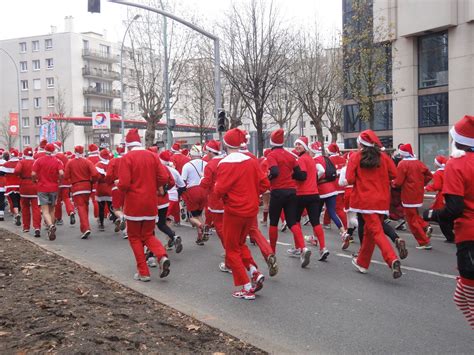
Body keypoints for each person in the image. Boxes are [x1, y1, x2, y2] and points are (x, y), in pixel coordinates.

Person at [423, 115, 474, 329]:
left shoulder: (457, 163)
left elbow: (454, 208)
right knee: (460, 297)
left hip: (470, 236)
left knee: (469, 299)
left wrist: (430, 215)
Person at [214, 128, 270, 300]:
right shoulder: (252, 161)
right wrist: (254, 195)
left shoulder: (224, 163)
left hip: (234, 211)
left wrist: (226, 198)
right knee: (241, 244)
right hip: (251, 210)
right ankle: (254, 271)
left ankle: (246, 286)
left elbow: (219, 190)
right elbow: (264, 183)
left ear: (226, 144)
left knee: (231, 249)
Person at [346, 130, 402, 279]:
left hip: (364, 200)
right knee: (369, 232)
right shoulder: (384, 157)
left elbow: (350, 179)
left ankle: (392, 259)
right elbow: (395, 174)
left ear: (361, 143)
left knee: (375, 231)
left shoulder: (355, 157)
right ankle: (362, 263)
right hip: (382, 200)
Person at [118, 129, 171, 281]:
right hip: (150, 202)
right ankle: (161, 255)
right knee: (148, 234)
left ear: (128, 145)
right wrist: (154, 186)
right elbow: (163, 177)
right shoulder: (152, 156)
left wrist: (119, 184)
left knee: (134, 237)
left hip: (134, 203)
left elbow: (124, 184)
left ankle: (143, 271)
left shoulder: (127, 158)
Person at [266, 129, 311, 268]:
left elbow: (274, 171)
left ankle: (272, 253)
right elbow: (301, 175)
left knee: (273, 222)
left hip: (278, 191)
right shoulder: (291, 156)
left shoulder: (271, 155)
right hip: (291, 192)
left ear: (272, 141)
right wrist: (289, 177)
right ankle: (303, 248)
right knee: (292, 222)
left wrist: (269, 178)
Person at [293, 136, 329, 261]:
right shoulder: (311, 159)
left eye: (300, 144)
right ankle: (323, 248)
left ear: (305, 146)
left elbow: (302, 176)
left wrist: (292, 174)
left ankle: (299, 248)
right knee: (315, 222)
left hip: (302, 194)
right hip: (314, 194)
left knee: (295, 221)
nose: (297, 146)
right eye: (296, 144)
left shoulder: (301, 159)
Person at [393, 143, 433, 250]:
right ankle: (425, 226)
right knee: (414, 215)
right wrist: (421, 183)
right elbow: (429, 175)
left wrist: (392, 183)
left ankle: (424, 242)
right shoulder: (418, 163)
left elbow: (398, 182)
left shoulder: (402, 164)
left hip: (408, 194)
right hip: (418, 193)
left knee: (411, 219)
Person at [64, 145, 99, 239]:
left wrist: (71, 180)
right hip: (87, 186)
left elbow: (66, 175)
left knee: (81, 208)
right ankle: (84, 226)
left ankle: (85, 228)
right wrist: (92, 181)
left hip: (76, 187)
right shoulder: (87, 161)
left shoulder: (70, 162)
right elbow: (95, 173)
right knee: (85, 206)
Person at [31, 143, 64, 241]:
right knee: (52, 209)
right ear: (54, 150)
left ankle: (50, 226)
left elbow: (33, 173)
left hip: (42, 187)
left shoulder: (39, 161)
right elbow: (61, 173)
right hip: (54, 187)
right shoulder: (58, 161)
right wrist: (59, 180)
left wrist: (34, 180)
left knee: (45, 210)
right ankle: (52, 226)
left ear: (45, 150)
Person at [181, 145, 208, 245]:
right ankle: (200, 236)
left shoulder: (187, 165)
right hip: (204, 190)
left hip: (192, 191)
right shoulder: (206, 163)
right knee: (199, 214)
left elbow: (182, 181)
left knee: (191, 216)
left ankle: (202, 226)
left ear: (191, 154)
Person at [14, 147, 41, 237]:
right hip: (35, 185)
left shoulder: (22, 162)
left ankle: (26, 227)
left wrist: (20, 175)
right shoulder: (36, 161)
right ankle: (37, 227)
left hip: (24, 186)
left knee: (25, 207)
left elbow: (16, 171)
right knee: (36, 208)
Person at [105, 145, 127, 236]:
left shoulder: (113, 161)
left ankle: (121, 218)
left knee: (116, 209)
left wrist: (109, 182)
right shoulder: (128, 159)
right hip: (127, 187)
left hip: (116, 187)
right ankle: (126, 231)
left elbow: (109, 175)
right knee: (126, 208)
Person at [53, 141, 75, 226]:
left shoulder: (53, 157)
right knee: (66, 198)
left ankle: (59, 218)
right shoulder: (65, 157)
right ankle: (71, 211)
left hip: (57, 181)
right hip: (66, 181)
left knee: (57, 200)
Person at [1, 149, 22, 226]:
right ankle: (18, 213)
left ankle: (16, 214)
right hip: (20, 185)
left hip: (10, 185)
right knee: (19, 200)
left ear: (11, 155)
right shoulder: (20, 162)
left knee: (14, 201)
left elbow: (2, 173)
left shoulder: (7, 164)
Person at [95, 149, 113, 231]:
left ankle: (101, 224)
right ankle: (116, 219)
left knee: (101, 207)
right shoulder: (111, 163)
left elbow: (97, 177)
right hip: (109, 187)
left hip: (101, 188)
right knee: (111, 206)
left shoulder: (98, 165)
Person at [87, 143, 100, 220]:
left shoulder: (87, 160)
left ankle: (97, 215)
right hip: (100, 182)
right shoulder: (100, 158)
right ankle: (105, 213)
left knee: (94, 200)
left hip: (91, 182)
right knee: (103, 200)